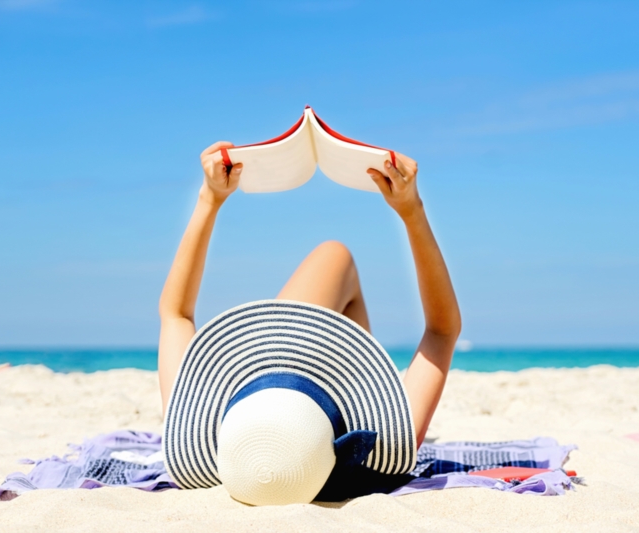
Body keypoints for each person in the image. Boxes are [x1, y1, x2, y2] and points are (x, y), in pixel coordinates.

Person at [156, 141, 460, 503]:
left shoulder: (230, 459)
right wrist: (412, 210)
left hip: (287, 452)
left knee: (335, 259)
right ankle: (345, 371)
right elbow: (443, 330)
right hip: (292, 421)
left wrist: (210, 198)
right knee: (334, 255)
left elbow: (176, 314)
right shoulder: (389, 442)